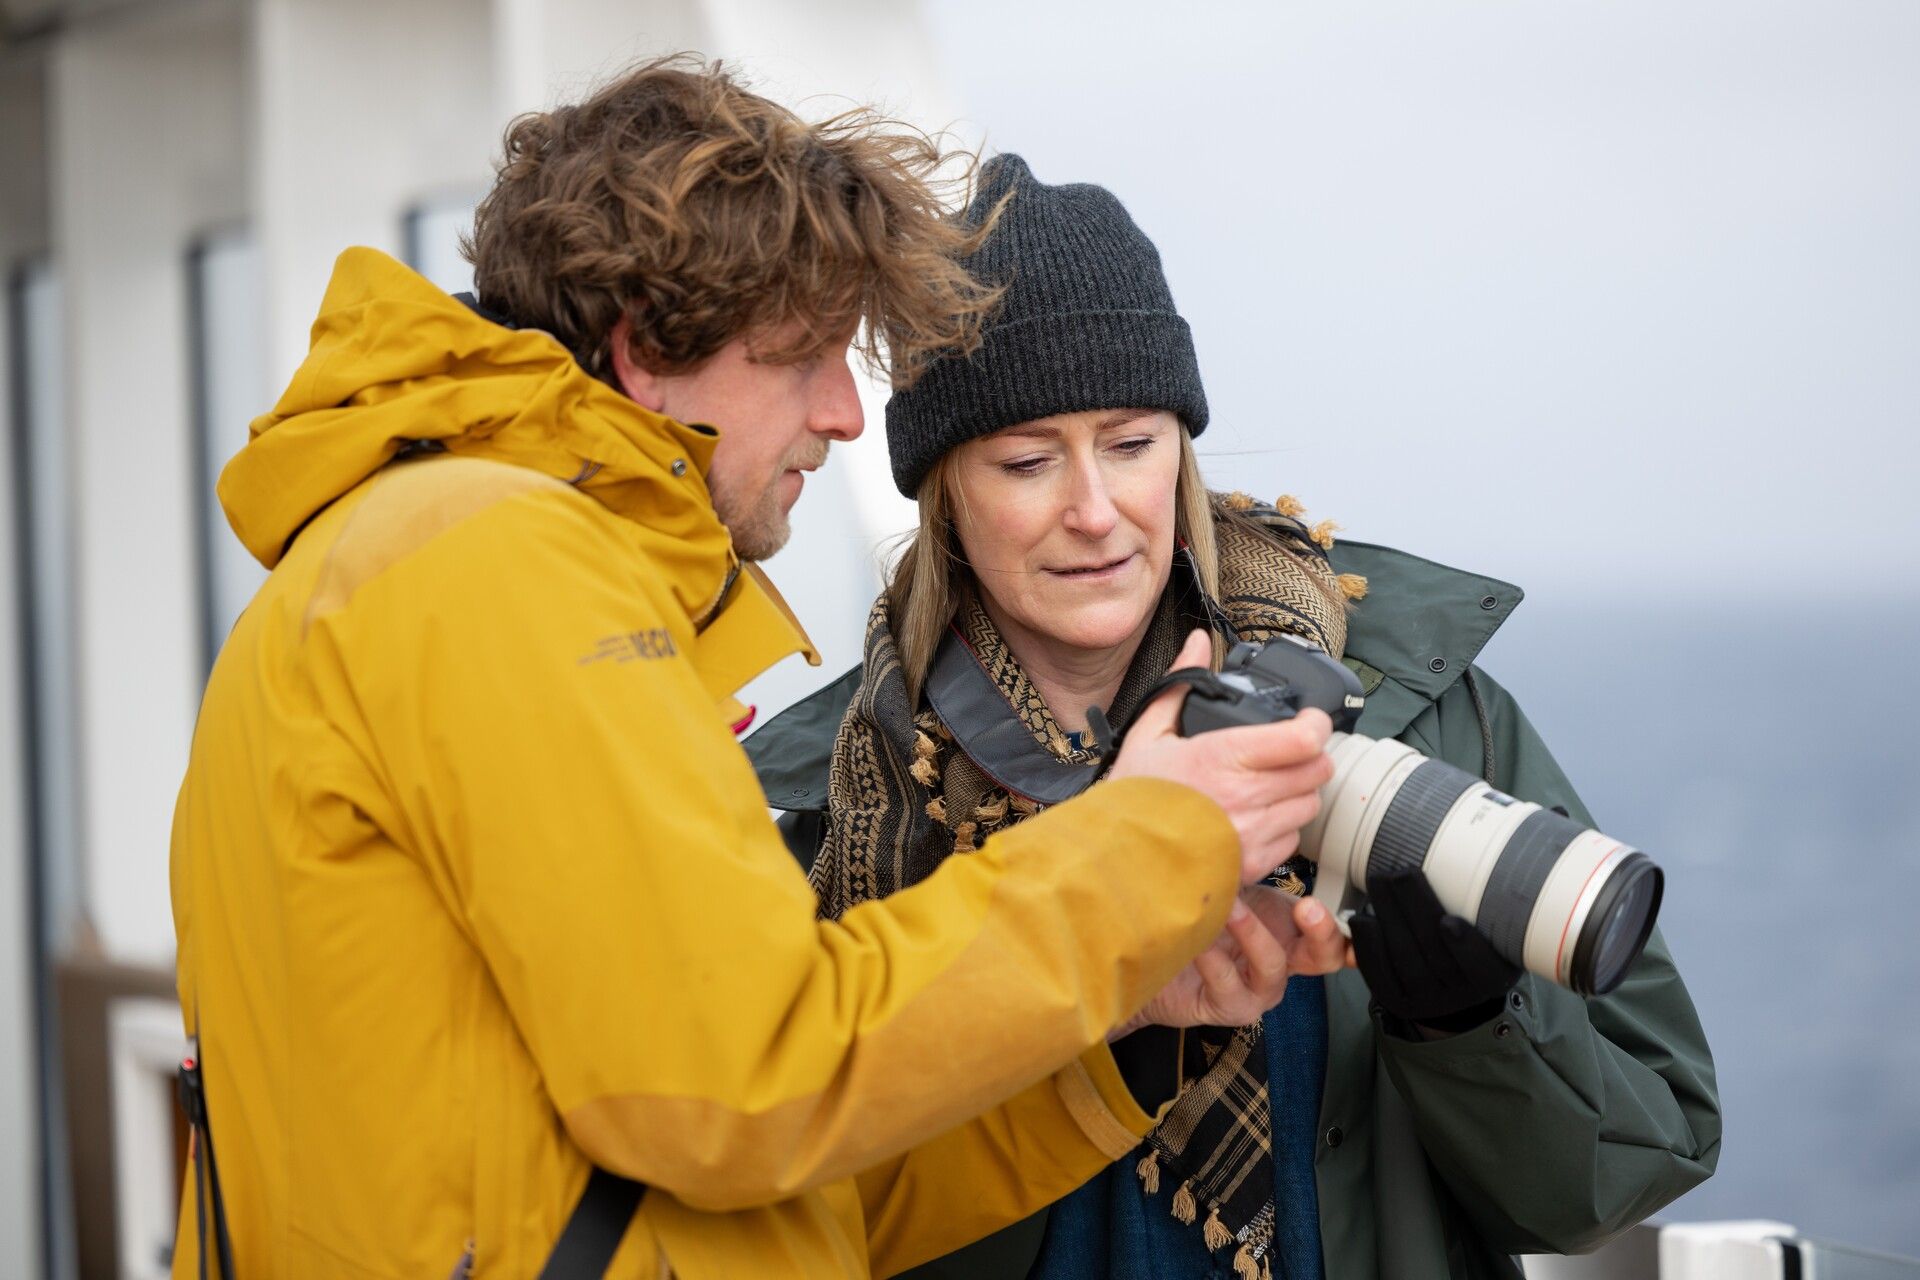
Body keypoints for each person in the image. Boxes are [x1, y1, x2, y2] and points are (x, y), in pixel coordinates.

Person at [167, 61, 1352, 1279]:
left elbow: (758, 1181)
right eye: (803, 357)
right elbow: (745, 1082)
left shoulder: (429, 553)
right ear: (645, 352)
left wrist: (1119, 1042)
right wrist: (1149, 842)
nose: (845, 414)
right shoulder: (501, 564)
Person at [746, 154, 1722, 1280]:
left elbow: (1634, 1161)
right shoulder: (824, 807)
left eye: (1132, 441)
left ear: (1182, 446)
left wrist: (1469, 1029)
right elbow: (776, 1222)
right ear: (944, 490)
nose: (1096, 511)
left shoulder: (1405, 711)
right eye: (1025, 460)